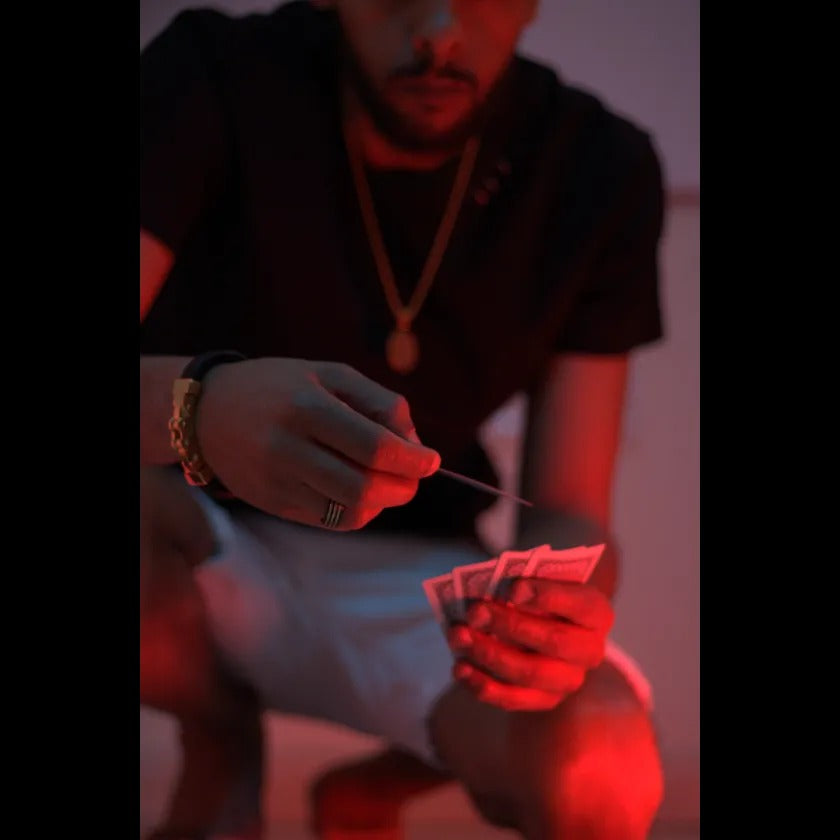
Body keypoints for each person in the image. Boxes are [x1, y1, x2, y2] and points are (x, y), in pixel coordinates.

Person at [140, 1, 667, 837]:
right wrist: (196, 410)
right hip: (188, 542)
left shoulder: (599, 167)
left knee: (601, 771)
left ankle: (368, 790)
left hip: (419, 581)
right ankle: (218, 736)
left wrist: (557, 615)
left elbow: (569, 509)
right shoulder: (211, 74)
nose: (439, 32)